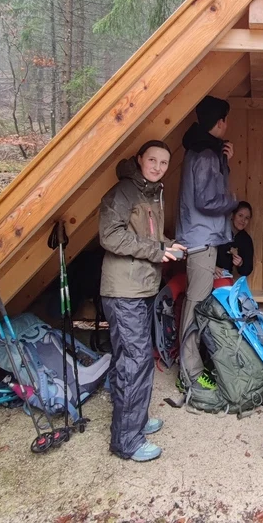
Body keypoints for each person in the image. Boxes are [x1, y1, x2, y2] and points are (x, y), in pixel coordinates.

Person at [97, 140, 186, 462]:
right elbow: (110, 235)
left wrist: (170, 245)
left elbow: (148, 238)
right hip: (124, 291)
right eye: (153, 160)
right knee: (134, 363)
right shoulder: (124, 192)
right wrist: (156, 250)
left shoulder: (151, 193)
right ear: (140, 159)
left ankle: (135, 420)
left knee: (136, 359)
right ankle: (126, 441)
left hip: (141, 288)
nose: (158, 167)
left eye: (164, 162)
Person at [176, 95, 239, 391]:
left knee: (198, 302)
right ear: (220, 122)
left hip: (201, 236)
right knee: (196, 304)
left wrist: (225, 161)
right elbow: (208, 199)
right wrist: (233, 201)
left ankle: (193, 365)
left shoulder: (206, 150)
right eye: (226, 119)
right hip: (201, 238)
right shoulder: (205, 154)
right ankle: (189, 373)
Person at [215, 201, 255, 279]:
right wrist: (213, 267)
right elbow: (204, 255)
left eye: (247, 218)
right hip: (208, 273)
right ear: (232, 215)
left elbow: (247, 269)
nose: (243, 220)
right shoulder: (219, 231)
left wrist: (241, 264)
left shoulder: (246, 239)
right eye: (240, 215)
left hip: (225, 277)